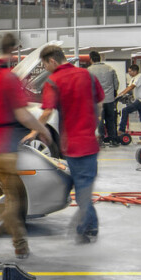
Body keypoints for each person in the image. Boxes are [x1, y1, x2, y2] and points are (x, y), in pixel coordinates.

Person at [0, 33, 54, 268]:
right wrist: (42, 130)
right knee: (11, 203)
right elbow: (22, 114)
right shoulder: (8, 78)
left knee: (12, 195)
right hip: (7, 146)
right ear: (14, 50)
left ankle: (20, 243)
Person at [38, 45, 104, 244]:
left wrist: (34, 131)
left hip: (74, 145)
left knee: (82, 188)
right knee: (83, 186)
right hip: (90, 142)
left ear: (52, 61)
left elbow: (47, 112)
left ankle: (86, 229)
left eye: (44, 64)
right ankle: (90, 226)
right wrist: (94, 125)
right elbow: (100, 102)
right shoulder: (88, 75)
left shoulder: (54, 81)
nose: (45, 69)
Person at [86, 51, 120, 144]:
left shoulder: (89, 70)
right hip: (109, 99)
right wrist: (114, 93)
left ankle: (100, 139)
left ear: (91, 59)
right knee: (111, 119)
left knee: (99, 119)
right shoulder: (110, 69)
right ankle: (112, 139)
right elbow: (116, 84)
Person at [117, 61, 141, 141]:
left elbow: (131, 87)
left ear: (135, 71)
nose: (129, 73)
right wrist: (121, 94)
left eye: (130, 71)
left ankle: (121, 130)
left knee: (125, 110)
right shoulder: (133, 78)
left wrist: (121, 94)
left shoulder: (140, 76)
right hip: (139, 100)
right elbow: (129, 87)